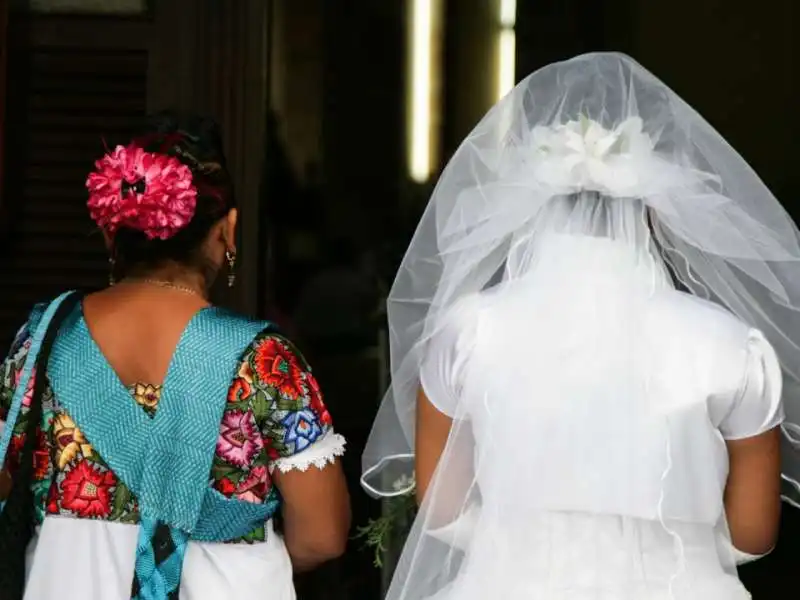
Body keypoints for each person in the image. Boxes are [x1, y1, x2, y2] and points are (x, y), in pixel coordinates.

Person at [361, 53, 800, 599]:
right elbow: (754, 533)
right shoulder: (733, 347)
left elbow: (442, 506)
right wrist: (673, 556)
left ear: (527, 204)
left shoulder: (469, 331)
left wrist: (517, 544)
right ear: (656, 212)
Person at [0, 112, 350, 600]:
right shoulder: (265, 363)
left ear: (110, 232)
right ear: (227, 231)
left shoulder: (43, 341)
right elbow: (322, 536)